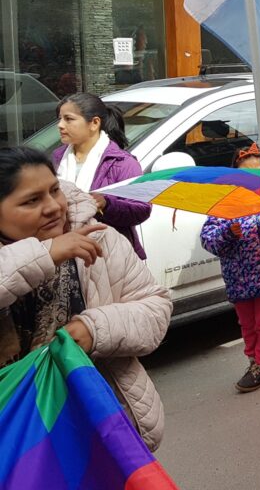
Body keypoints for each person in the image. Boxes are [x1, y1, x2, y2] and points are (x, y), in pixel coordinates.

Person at [0, 147, 171, 450]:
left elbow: (155, 307)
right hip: (13, 437)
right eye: (31, 201)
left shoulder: (97, 236)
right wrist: (43, 254)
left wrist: (95, 329)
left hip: (94, 427)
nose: (53, 207)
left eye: (54, 190)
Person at [200, 144, 260, 393]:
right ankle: (254, 359)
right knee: (247, 325)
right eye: (247, 172)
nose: (253, 177)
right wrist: (227, 233)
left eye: (259, 171)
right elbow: (208, 240)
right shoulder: (225, 205)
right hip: (238, 280)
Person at [53, 93, 151, 259]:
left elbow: (141, 209)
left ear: (94, 123)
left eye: (68, 119)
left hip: (110, 255)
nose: (60, 125)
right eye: (60, 119)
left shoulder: (122, 162)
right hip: (67, 252)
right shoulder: (57, 158)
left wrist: (106, 204)